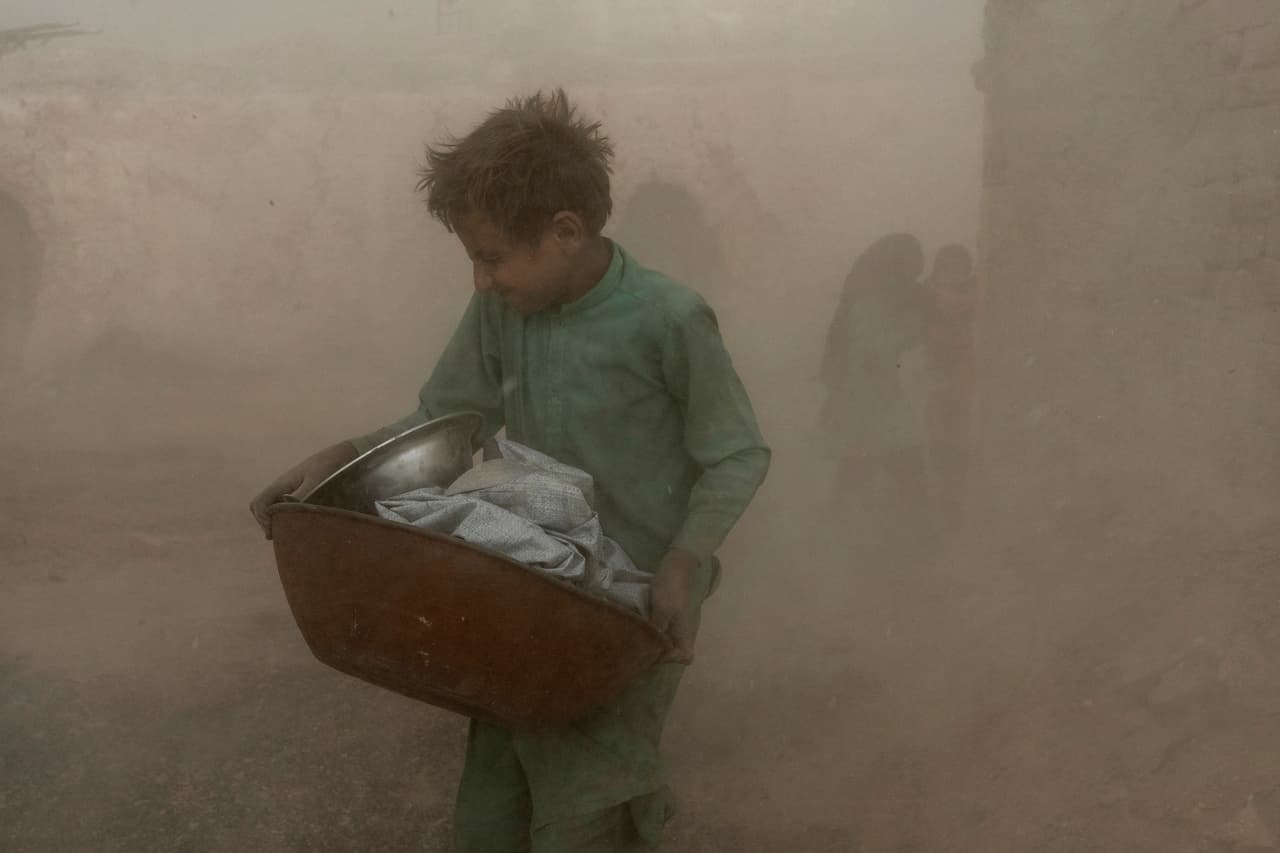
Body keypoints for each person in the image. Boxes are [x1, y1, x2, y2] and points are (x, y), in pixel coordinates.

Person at [249, 89, 770, 852]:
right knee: (493, 801)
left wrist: (683, 563)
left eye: (490, 258)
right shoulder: (503, 311)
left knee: (589, 798)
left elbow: (736, 452)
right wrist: (343, 455)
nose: (481, 282)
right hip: (527, 587)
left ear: (566, 231)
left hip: (629, 607)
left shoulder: (669, 318)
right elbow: (448, 415)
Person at [818, 233, 930, 522]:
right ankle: (920, 524)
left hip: (867, 397)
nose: (917, 268)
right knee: (902, 460)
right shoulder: (872, 299)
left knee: (860, 462)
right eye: (912, 261)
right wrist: (912, 331)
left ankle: (841, 523)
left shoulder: (876, 292)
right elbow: (873, 348)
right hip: (871, 398)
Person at [924, 244, 978, 523]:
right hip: (941, 383)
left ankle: (954, 502)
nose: (956, 275)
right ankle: (946, 503)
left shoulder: (966, 293)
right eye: (950, 268)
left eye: (961, 269)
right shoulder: (932, 295)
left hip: (963, 382)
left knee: (958, 444)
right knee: (944, 445)